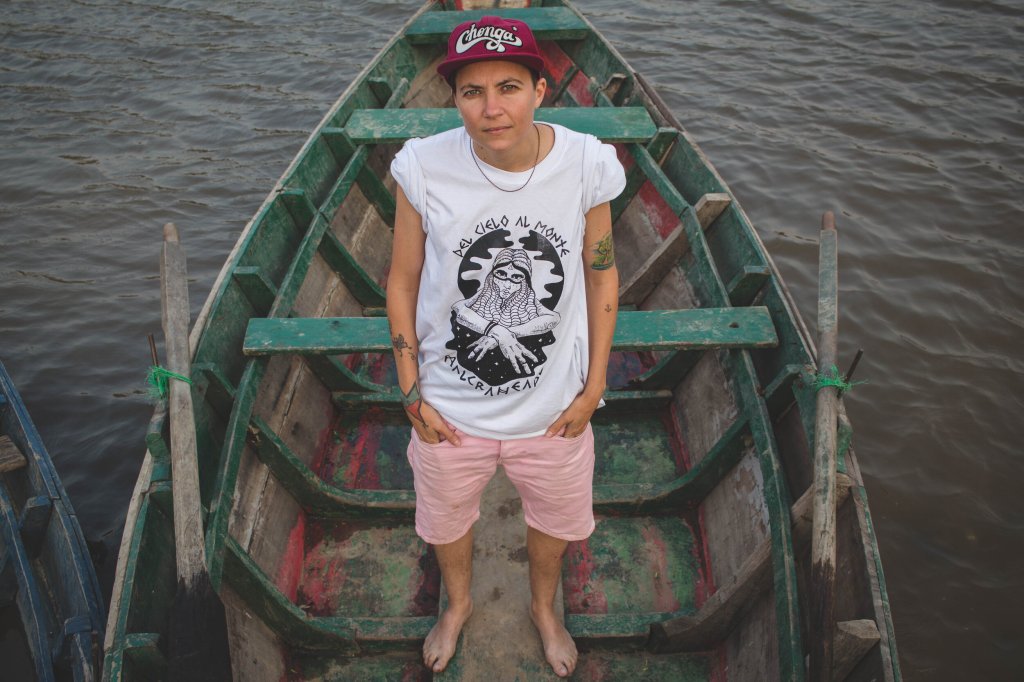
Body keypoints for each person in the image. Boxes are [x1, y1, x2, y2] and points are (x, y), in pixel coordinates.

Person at [386, 15, 625, 678]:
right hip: (446, 412)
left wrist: (595, 385)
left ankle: (544, 609)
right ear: (455, 99)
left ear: (541, 91)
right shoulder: (422, 168)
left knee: (554, 523)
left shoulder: (587, 164)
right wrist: (410, 391)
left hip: (555, 412)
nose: (492, 108)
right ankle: (457, 605)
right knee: (446, 523)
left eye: (509, 87)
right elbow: (402, 281)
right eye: (472, 91)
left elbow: (601, 271)